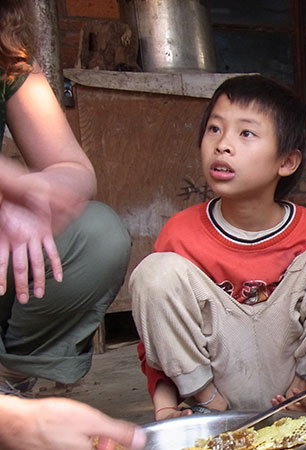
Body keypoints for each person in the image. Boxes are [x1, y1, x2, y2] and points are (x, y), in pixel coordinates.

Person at [129, 74, 306, 443]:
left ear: (287, 161)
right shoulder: (181, 232)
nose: (223, 145)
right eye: (214, 129)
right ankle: (207, 410)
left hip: (296, 383)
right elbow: (155, 338)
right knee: (154, 273)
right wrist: (165, 408)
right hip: (210, 389)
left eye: (246, 134)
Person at [0, 1, 144, 448]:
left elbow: (75, 170)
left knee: (97, 233)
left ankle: (9, 380)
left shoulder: (9, 65)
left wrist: (35, 194)